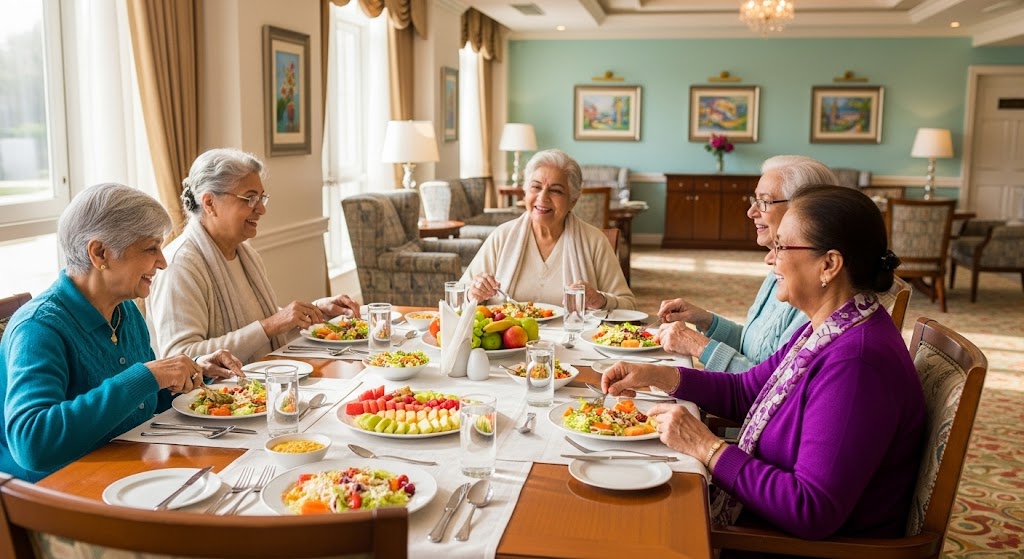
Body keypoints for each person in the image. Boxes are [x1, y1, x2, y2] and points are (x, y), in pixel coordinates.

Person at [602, 186, 924, 540]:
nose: (770, 259)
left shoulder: (857, 363)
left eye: (781, 247)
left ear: (829, 265)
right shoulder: (829, 327)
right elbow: (748, 390)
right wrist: (658, 375)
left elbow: (810, 509)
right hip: (762, 518)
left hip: (787, 544)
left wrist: (707, 447)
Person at [0, 183, 243, 482]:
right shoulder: (39, 328)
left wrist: (192, 372)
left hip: (124, 467)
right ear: (100, 253)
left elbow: (140, 402)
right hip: (59, 490)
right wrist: (147, 376)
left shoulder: (124, 310)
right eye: (151, 248)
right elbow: (32, 445)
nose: (162, 262)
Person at [147, 148, 361, 363]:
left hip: (258, 377)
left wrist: (315, 311)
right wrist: (272, 324)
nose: (261, 209)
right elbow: (180, 358)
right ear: (210, 203)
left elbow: (260, 326)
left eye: (261, 198)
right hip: (230, 385)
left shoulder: (246, 253)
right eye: (249, 198)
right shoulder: (179, 266)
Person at [657, 156, 836, 372]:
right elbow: (754, 348)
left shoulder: (817, 294)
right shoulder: (779, 269)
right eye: (754, 200)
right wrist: (705, 320)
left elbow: (772, 385)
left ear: (805, 211)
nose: (751, 212)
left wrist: (699, 346)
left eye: (764, 202)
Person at [464, 149, 635, 310]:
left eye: (555, 190)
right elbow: (460, 296)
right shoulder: (502, 236)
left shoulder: (594, 241)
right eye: (536, 187)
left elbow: (628, 305)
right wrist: (474, 294)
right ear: (525, 192)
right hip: (508, 332)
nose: (543, 197)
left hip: (572, 333)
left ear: (573, 201)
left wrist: (600, 300)